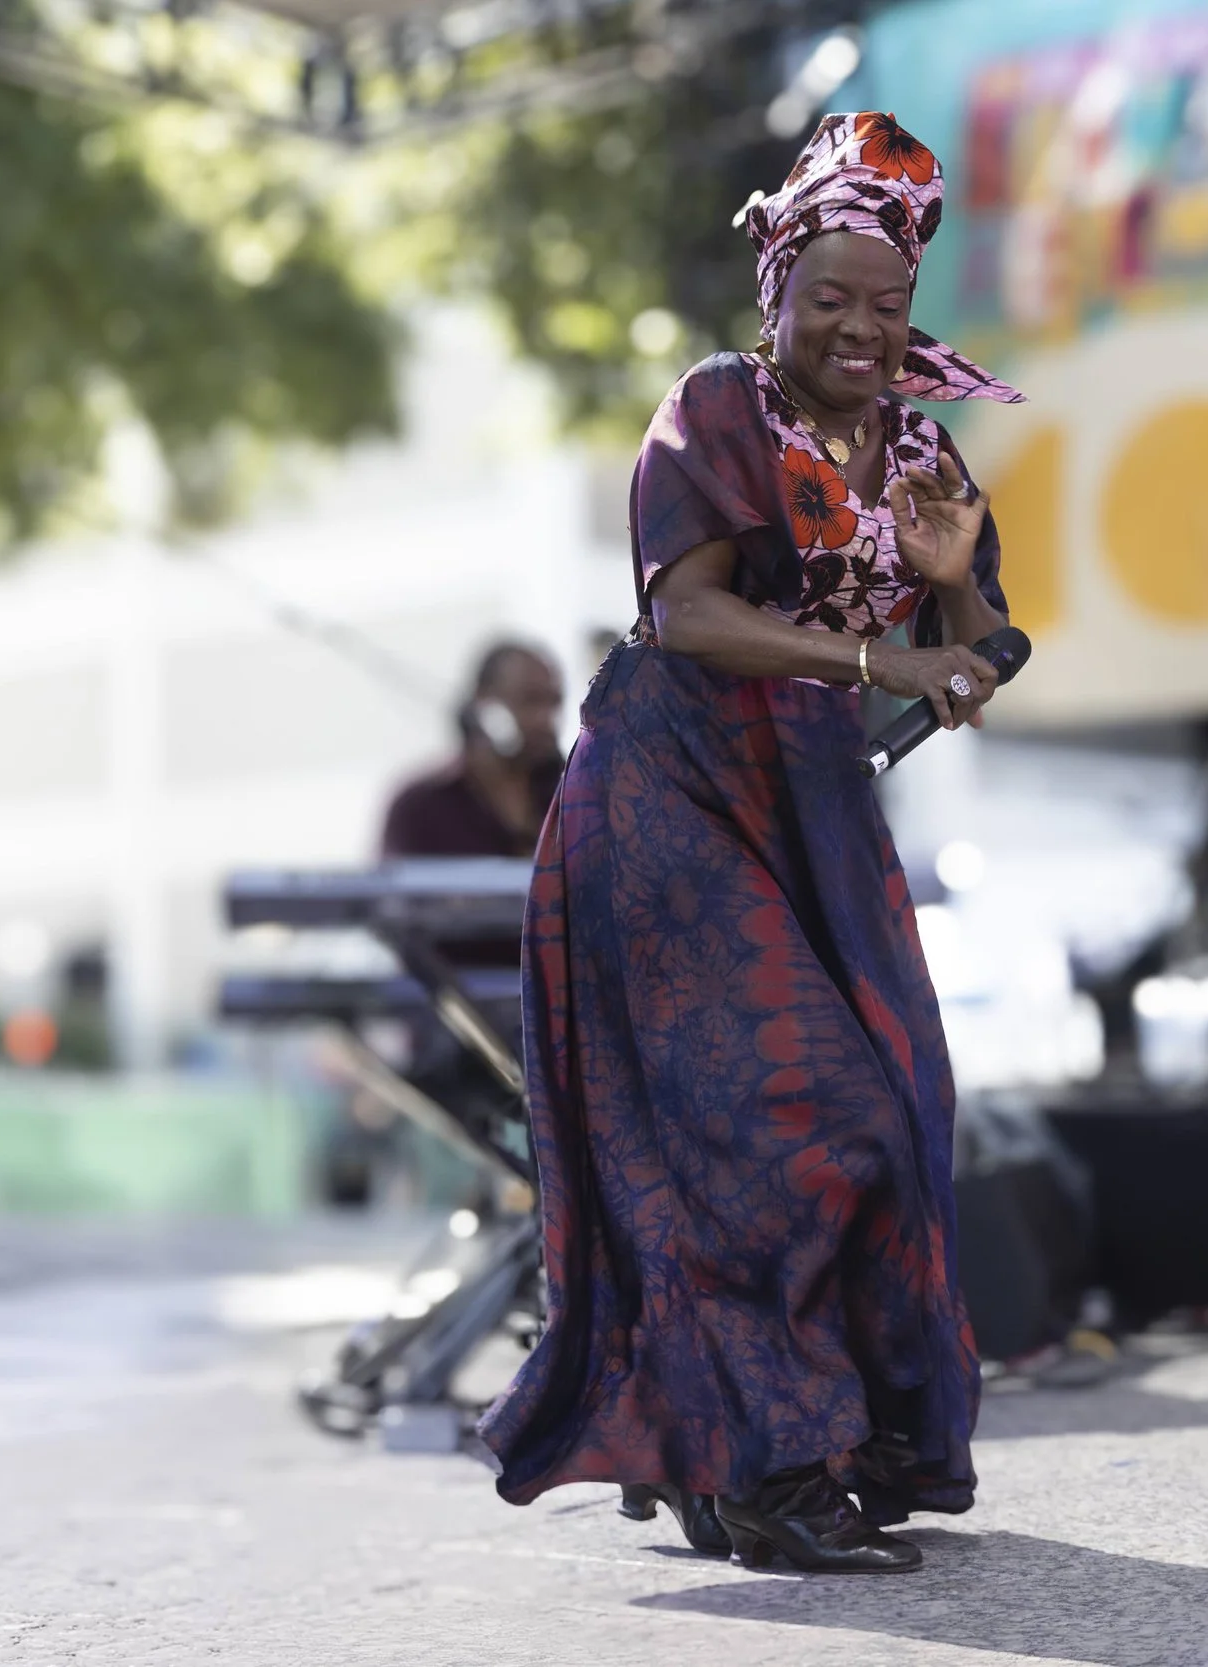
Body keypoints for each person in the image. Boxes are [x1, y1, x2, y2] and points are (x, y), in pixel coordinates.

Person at [473, 111, 1019, 1575]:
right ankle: (761, 1465)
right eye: (828, 295)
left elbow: (982, 649)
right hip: (673, 788)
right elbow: (687, 615)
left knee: (900, 1112)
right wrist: (879, 663)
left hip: (815, 801)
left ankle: (814, 1446)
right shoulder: (717, 409)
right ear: (776, 283)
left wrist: (955, 594)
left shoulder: (918, 438)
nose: (858, 325)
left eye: (886, 303)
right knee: (782, 1124)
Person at [380, 641, 567, 860]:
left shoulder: (575, 794)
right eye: (530, 701)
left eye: (553, 703)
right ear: (484, 702)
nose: (545, 720)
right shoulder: (419, 807)